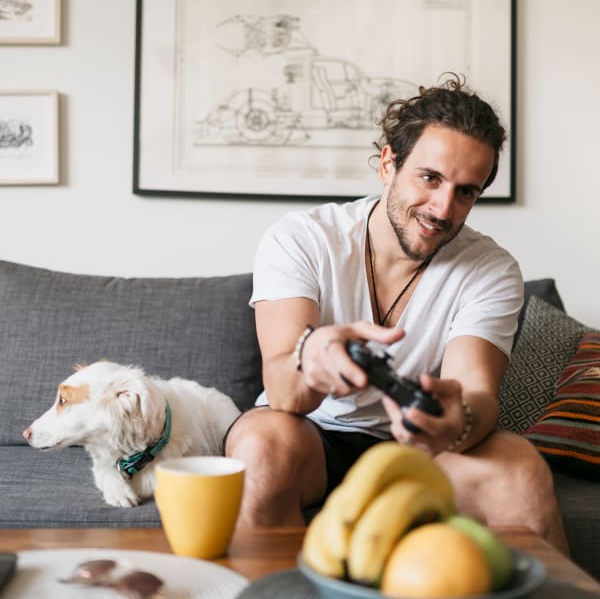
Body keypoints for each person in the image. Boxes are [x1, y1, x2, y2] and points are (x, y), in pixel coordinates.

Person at [225, 74, 569, 554]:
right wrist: (312, 356)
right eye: (430, 178)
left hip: (424, 448)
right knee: (260, 446)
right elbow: (284, 389)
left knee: (522, 468)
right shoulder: (302, 238)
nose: (443, 208)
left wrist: (460, 419)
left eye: (466, 192)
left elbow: (476, 395)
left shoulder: (491, 269)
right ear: (388, 163)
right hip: (310, 434)